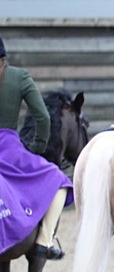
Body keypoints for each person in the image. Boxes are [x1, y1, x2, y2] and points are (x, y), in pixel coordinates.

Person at [0, 35, 70, 259]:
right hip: (9, 149)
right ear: (4, 60)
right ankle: (45, 240)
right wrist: (37, 146)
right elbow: (43, 117)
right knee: (58, 180)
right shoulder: (18, 77)